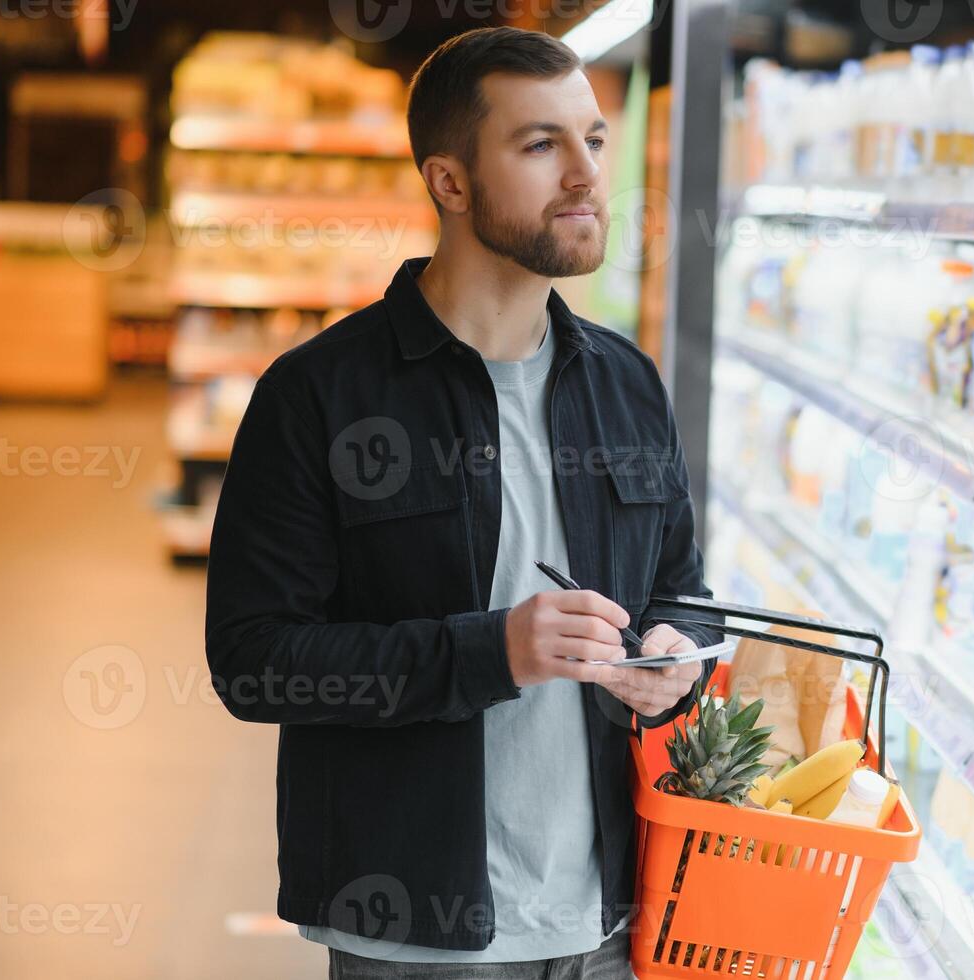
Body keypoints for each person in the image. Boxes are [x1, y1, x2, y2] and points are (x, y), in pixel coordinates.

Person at [205, 26, 721, 979]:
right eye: (540, 145)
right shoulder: (320, 394)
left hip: (610, 924)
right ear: (448, 182)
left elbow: (682, 591)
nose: (584, 175)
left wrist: (673, 656)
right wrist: (492, 650)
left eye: (593, 141)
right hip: (415, 932)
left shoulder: (628, 384)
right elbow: (254, 663)